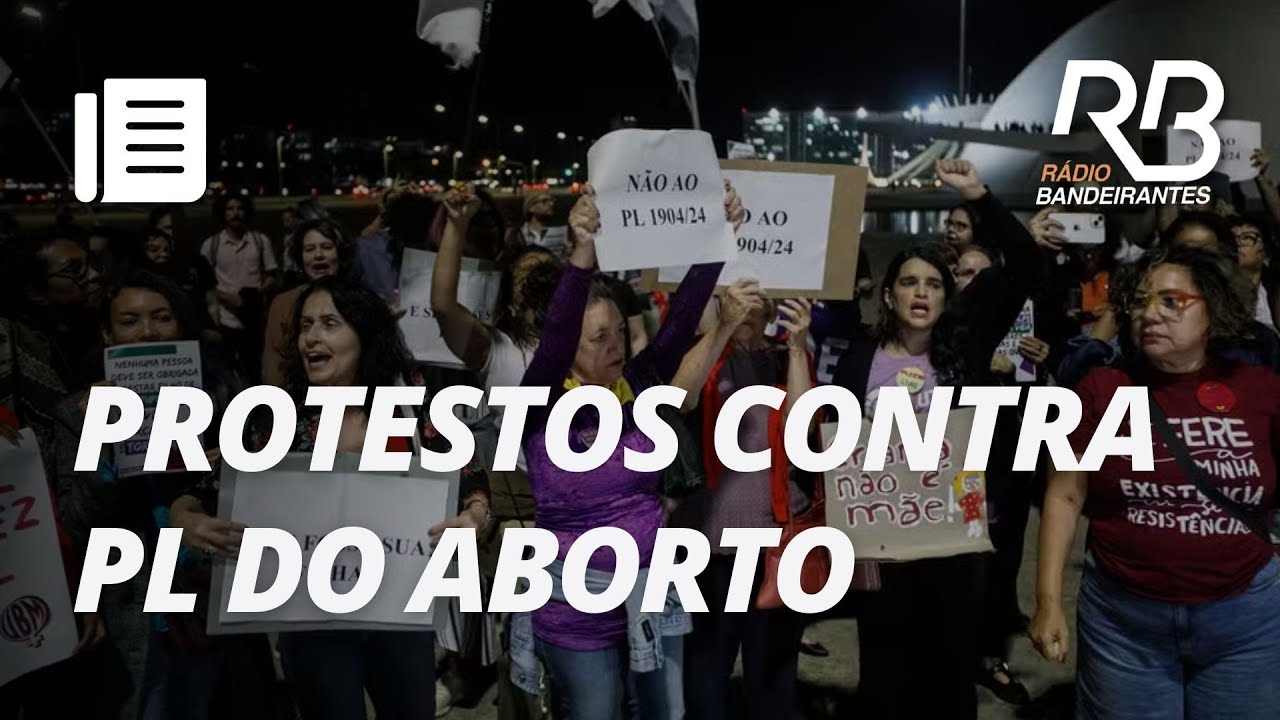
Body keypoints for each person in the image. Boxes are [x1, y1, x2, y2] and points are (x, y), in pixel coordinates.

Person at [173, 276, 491, 720]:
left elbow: (471, 477)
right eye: (304, 326)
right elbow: (200, 491)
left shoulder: (409, 404)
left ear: (365, 334)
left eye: (329, 323)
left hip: (400, 619)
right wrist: (184, 519)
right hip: (311, 625)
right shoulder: (277, 417)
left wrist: (475, 517)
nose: (311, 338)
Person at [510, 182, 742, 719]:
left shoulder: (635, 385)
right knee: (593, 712)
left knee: (666, 713)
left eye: (619, 332)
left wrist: (720, 237)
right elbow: (557, 332)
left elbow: (682, 317)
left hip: (652, 583)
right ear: (566, 347)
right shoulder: (540, 402)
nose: (616, 345)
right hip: (573, 596)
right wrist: (582, 257)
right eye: (598, 338)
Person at [1031, 245, 1280, 718]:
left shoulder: (1261, 390)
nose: (1150, 314)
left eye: (1172, 302)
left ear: (1214, 308)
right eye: (1142, 301)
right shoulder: (1102, 391)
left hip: (1245, 621)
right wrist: (1047, 602)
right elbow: (1064, 495)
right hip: (1124, 623)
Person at [832, 159, 1040, 720]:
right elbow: (841, 451)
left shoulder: (967, 346)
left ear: (948, 298)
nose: (920, 293)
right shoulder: (858, 359)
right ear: (890, 295)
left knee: (949, 679)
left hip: (955, 539)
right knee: (884, 675)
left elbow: (1025, 263)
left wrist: (980, 196)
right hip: (882, 542)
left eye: (932, 283)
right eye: (908, 282)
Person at [431, 186, 563, 719]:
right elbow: (442, 305)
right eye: (527, 276)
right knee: (523, 651)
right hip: (522, 516)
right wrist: (457, 226)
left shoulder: (586, 348)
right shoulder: (496, 350)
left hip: (579, 513)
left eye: (547, 277)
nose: (538, 285)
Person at [668, 279, 814, 720]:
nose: (752, 304)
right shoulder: (701, 351)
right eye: (740, 295)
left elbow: (805, 431)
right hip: (710, 545)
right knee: (706, 670)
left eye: (761, 298)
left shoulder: (785, 355)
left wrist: (796, 346)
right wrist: (724, 329)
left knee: (773, 673)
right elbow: (678, 401)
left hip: (775, 542)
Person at [262, 218, 354, 386]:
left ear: (340, 253)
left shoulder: (361, 300)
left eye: (326, 247)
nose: (318, 255)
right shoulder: (283, 304)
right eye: (309, 249)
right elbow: (274, 364)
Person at [200, 195, 278, 382]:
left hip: (255, 319)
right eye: (230, 209)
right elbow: (203, 282)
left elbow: (272, 275)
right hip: (225, 321)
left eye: (240, 208)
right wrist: (225, 297)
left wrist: (255, 295)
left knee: (255, 371)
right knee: (226, 372)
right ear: (222, 213)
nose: (235, 213)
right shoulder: (211, 245)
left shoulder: (260, 241)